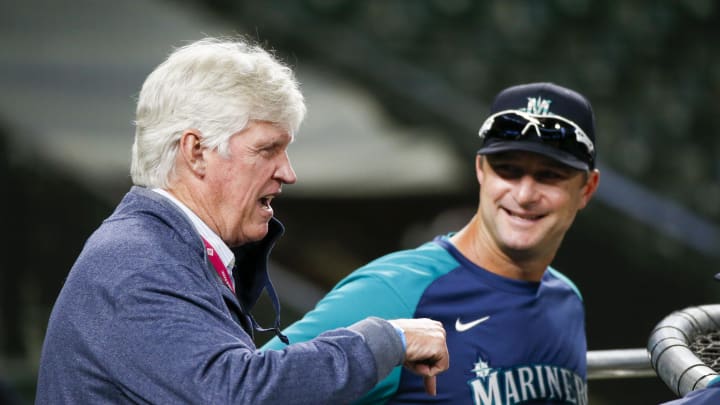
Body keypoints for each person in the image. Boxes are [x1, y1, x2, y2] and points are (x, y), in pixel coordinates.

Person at [35, 37, 449, 404]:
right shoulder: (136, 262)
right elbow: (237, 393)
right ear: (195, 151)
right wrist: (385, 340)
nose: (288, 173)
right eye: (267, 149)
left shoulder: (163, 249)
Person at [264, 82, 601, 404]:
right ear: (481, 170)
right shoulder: (397, 291)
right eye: (508, 170)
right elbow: (251, 390)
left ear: (587, 188)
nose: (525, 194)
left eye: (550, 176)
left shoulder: (566, 301)